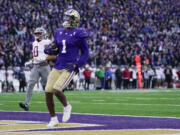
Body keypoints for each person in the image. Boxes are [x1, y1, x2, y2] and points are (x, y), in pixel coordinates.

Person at [44, 9, 89, 128]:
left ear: (75, 20)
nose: (66, 20)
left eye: (69, 18)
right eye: (66, 17)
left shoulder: (79, 33)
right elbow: (57, 47)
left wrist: (78, 65)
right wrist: (50, 49)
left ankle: (66, 106)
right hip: (58, 65)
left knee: (57, 89)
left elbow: (85, 53)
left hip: (69, 67)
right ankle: (53, 119)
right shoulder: (59, 32)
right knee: (48, 91)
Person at [19, 27, 56, 111]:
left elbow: (54, 55)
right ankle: (26, 104)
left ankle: (51, 103)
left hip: (45, 66)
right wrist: (30, 61)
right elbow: (36, 56)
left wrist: (45, 59)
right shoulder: (34, 43)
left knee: (47, 87)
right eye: (36, 33)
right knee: (30, 84)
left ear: (43, 33)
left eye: (39, 33)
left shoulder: (47, 42)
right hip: (35, 67)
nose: (37, 35)